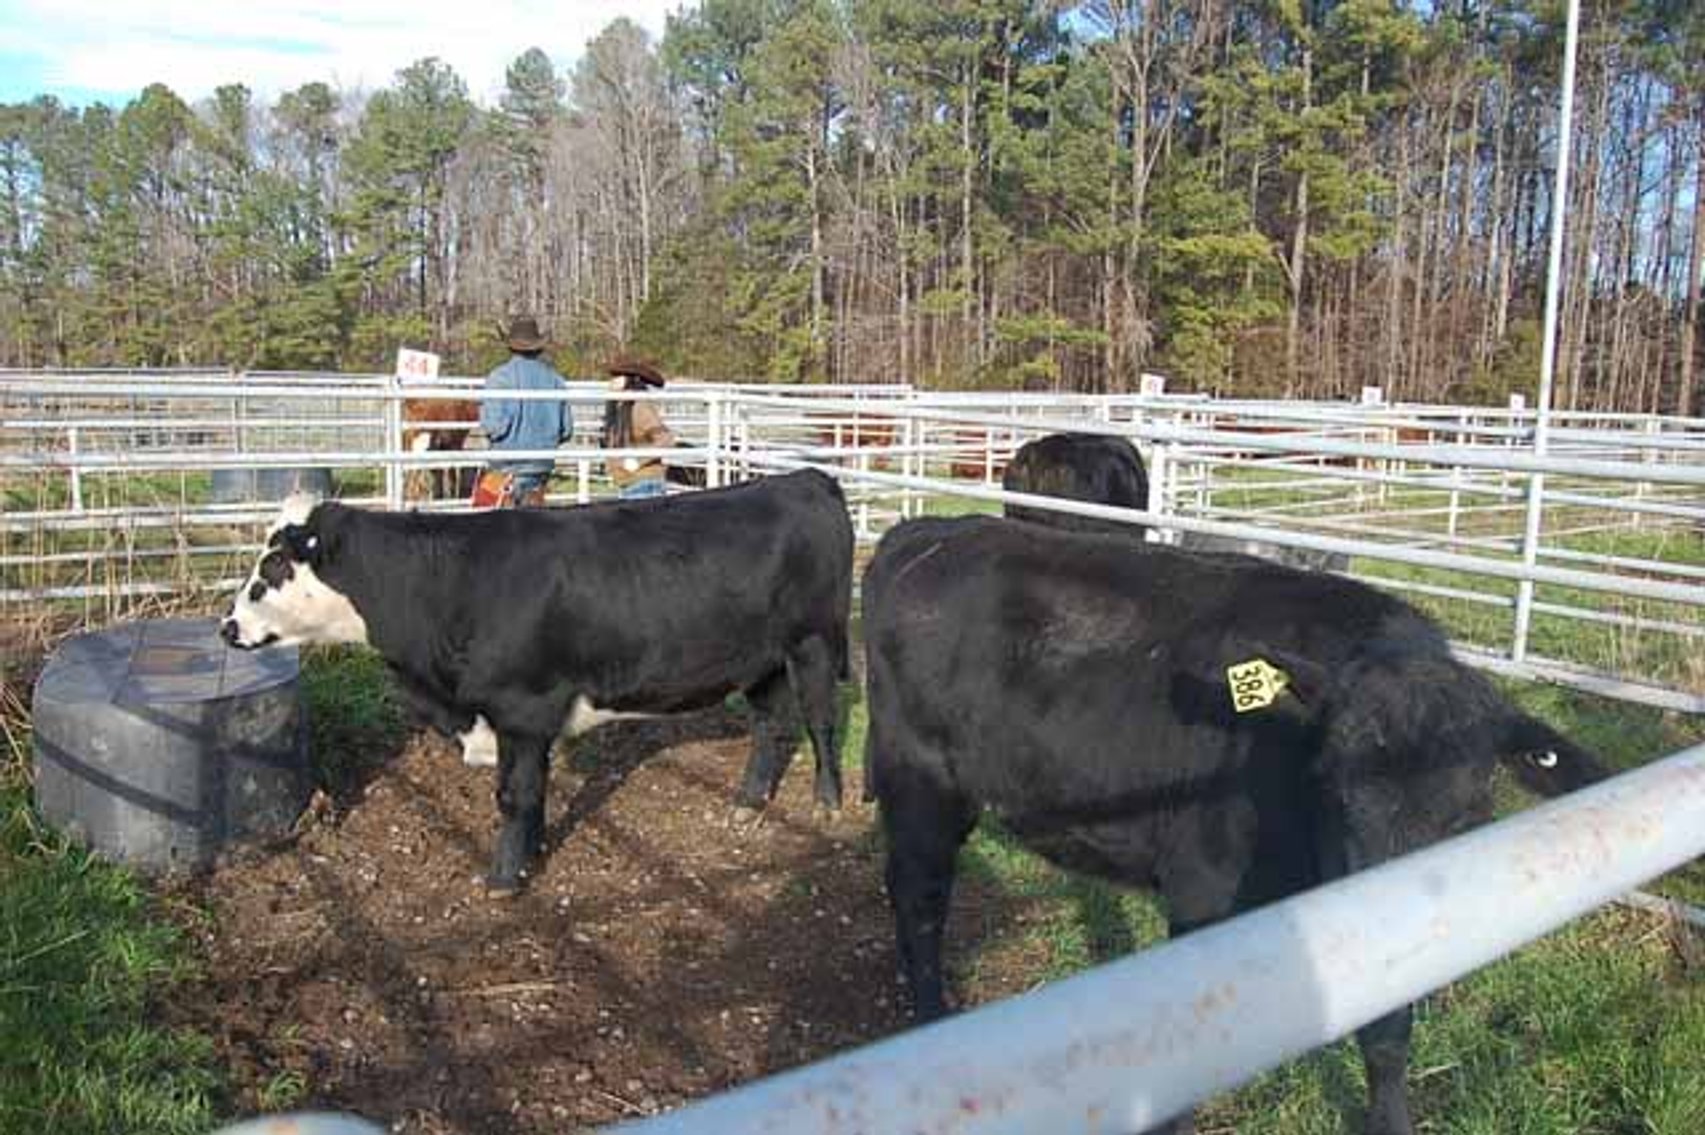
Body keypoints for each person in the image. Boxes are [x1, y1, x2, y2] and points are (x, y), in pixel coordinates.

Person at [473, 315, 573, 508]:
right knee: (535, 529)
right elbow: (566, 431)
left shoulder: (499, 378)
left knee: (491, 525)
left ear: (510, 346)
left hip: (505, 468)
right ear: (538, 346)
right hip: (540, 470)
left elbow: (493, 427)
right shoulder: (555, 380)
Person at [601, 357, 675, 500]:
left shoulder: (639, 407)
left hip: (643, 482)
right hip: (632, 482)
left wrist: (637, 460)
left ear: (630, 380)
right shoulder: (622, 407)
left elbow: (666, 438)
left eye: (618, 377)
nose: (612, 381)